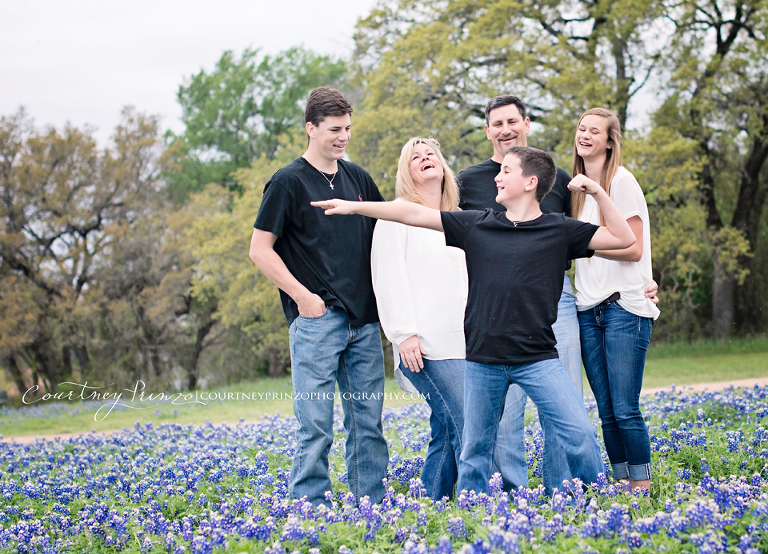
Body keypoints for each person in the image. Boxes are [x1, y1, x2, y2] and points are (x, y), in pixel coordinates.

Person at [312, 145, 635, 494]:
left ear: (530, 181)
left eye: (506, 171)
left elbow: (624, 238)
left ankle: (593, 503)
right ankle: (473, 514)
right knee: (475, 451)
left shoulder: (560, 229)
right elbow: (410, 214)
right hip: (483, 360)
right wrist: (353, 207)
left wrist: (599, 193)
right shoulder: (476, 224)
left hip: (537, 358)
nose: (497, 175)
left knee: (581, 434)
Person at [458, 95, 658, 494]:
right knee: (505, 415)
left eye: (512, 121)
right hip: (496, 308)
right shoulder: (468, 181)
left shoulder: (558, 179)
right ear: (486, 131)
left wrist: (642, 279)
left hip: (560, 298)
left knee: (563, 399)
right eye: (496, 123)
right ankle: (513, 493)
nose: (505, 129)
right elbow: (435, 220)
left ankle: (563, 493)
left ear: (526, 124)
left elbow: (592, 238)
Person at [248, 87, 388, 506]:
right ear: (310, 129)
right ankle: (311, 510)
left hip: (363, 321)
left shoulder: (357, 177)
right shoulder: (288, 181)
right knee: (315, 424)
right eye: (333, 129)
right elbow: (260, 249)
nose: (343, 137)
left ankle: (371, 506)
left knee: (367, 423)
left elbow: (387, 229)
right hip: (317, 321)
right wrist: (302, 297)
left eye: (347, 128)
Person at [370, 137, 467, 501]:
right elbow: (388, 277)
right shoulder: (396, 216)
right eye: (416, 157)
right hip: (424, 345)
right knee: (468, 423)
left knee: (446, 428)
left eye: (431, 154)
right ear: (406, 172)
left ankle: (430, 505)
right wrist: (404, 333)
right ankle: (481, 502)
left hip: (463, 341)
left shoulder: (456, 219)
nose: (426, 159)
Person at [570, 108, 660, 494]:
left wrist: (588, 247)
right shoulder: (574, 191)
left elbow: (634, 249)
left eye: (595, 131)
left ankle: (641, 484)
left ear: (610, 141)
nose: (586, 135)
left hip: (624, 305)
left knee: (625, 407)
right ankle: (622, 481)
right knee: (606, 411)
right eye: (581, 128)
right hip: (588, 309)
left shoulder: (621, 182)